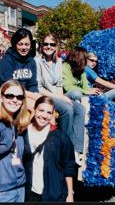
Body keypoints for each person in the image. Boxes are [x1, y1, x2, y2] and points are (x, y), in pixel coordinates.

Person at [35, 33, 86, 165]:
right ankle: (65, 147)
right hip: (45, 96)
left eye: (51, 44)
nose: (48, 47)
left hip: (57, 94)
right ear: (41, 46)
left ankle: (76, 149)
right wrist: (60, 98)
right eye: (46, 44)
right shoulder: (37, 61)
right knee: (67, 109)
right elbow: (39, 88)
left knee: (79, 108)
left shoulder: (58, 62)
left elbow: (58, 85)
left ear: (56, 46)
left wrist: (62, 96)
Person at [0, 79, 31, 202]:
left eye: (19, 97)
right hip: (1, 192)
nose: (14, 100)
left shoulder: (19, 123)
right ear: (1, 98)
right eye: (10, 95)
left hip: (19, 189)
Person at [23, 96, 77, 202]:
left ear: (52, 115)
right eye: (41, 110)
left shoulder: (60, 137)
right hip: (29, 194)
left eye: (48, 113)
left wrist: (70, 194)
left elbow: (68, 167)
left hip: (54, 194)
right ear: (34, 110)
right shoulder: (23, 133)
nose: (44, 115)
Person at [0, 28, 41, 111]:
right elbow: (8, 86)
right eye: (20, 44)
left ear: (31, 46)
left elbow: (32, 85)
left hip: (25, 95)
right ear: (15, 44)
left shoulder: (32, 62)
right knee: (38, 108)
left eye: (27, 44)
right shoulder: (7, 61)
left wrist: (36, 94)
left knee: (46, 106)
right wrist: (33, 96)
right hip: (9, 96)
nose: (24, 47)